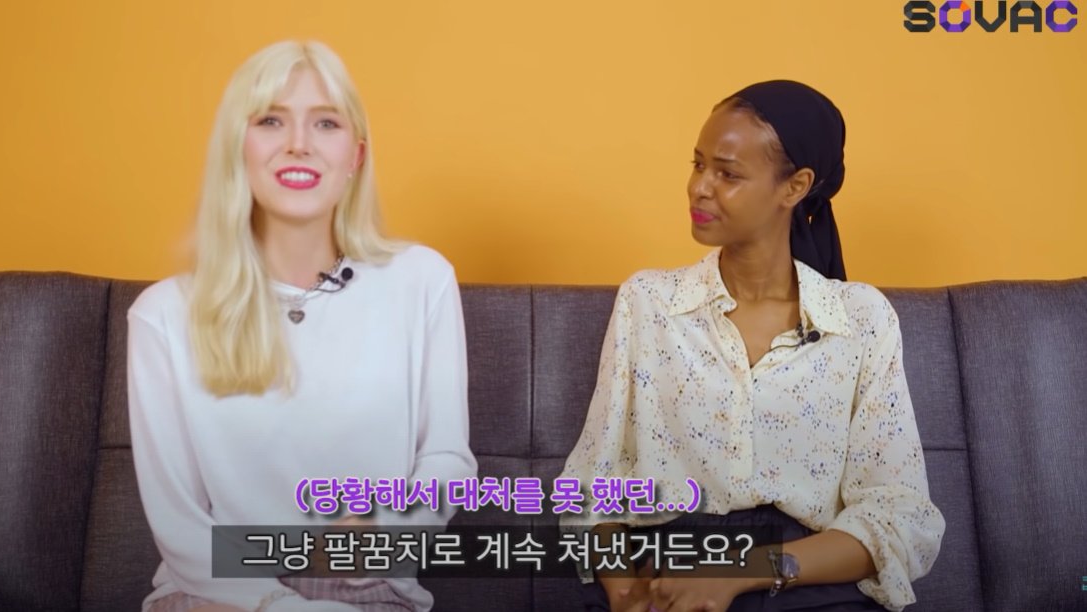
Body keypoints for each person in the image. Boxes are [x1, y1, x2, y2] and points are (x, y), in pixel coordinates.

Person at [558, 80, 944, 612]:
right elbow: (591, 485)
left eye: (728, 173)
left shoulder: (861, 319)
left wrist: (736, 572)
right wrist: (623, 590)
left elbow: (897, 514)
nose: (699, 187)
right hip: (666, 570)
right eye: (698, 165)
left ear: (795, 187)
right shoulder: (648, 302)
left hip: (804, 578)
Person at [127, 40, 477, 612]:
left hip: (369, 589)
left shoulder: (422, 280)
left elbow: (447, 462)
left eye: (325, 123)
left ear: (356, 156)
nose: (298, 144)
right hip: (218, 595)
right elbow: (179, 525)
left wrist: (385, 526)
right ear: (236, 147)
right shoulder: (162, 315)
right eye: (270, 120)